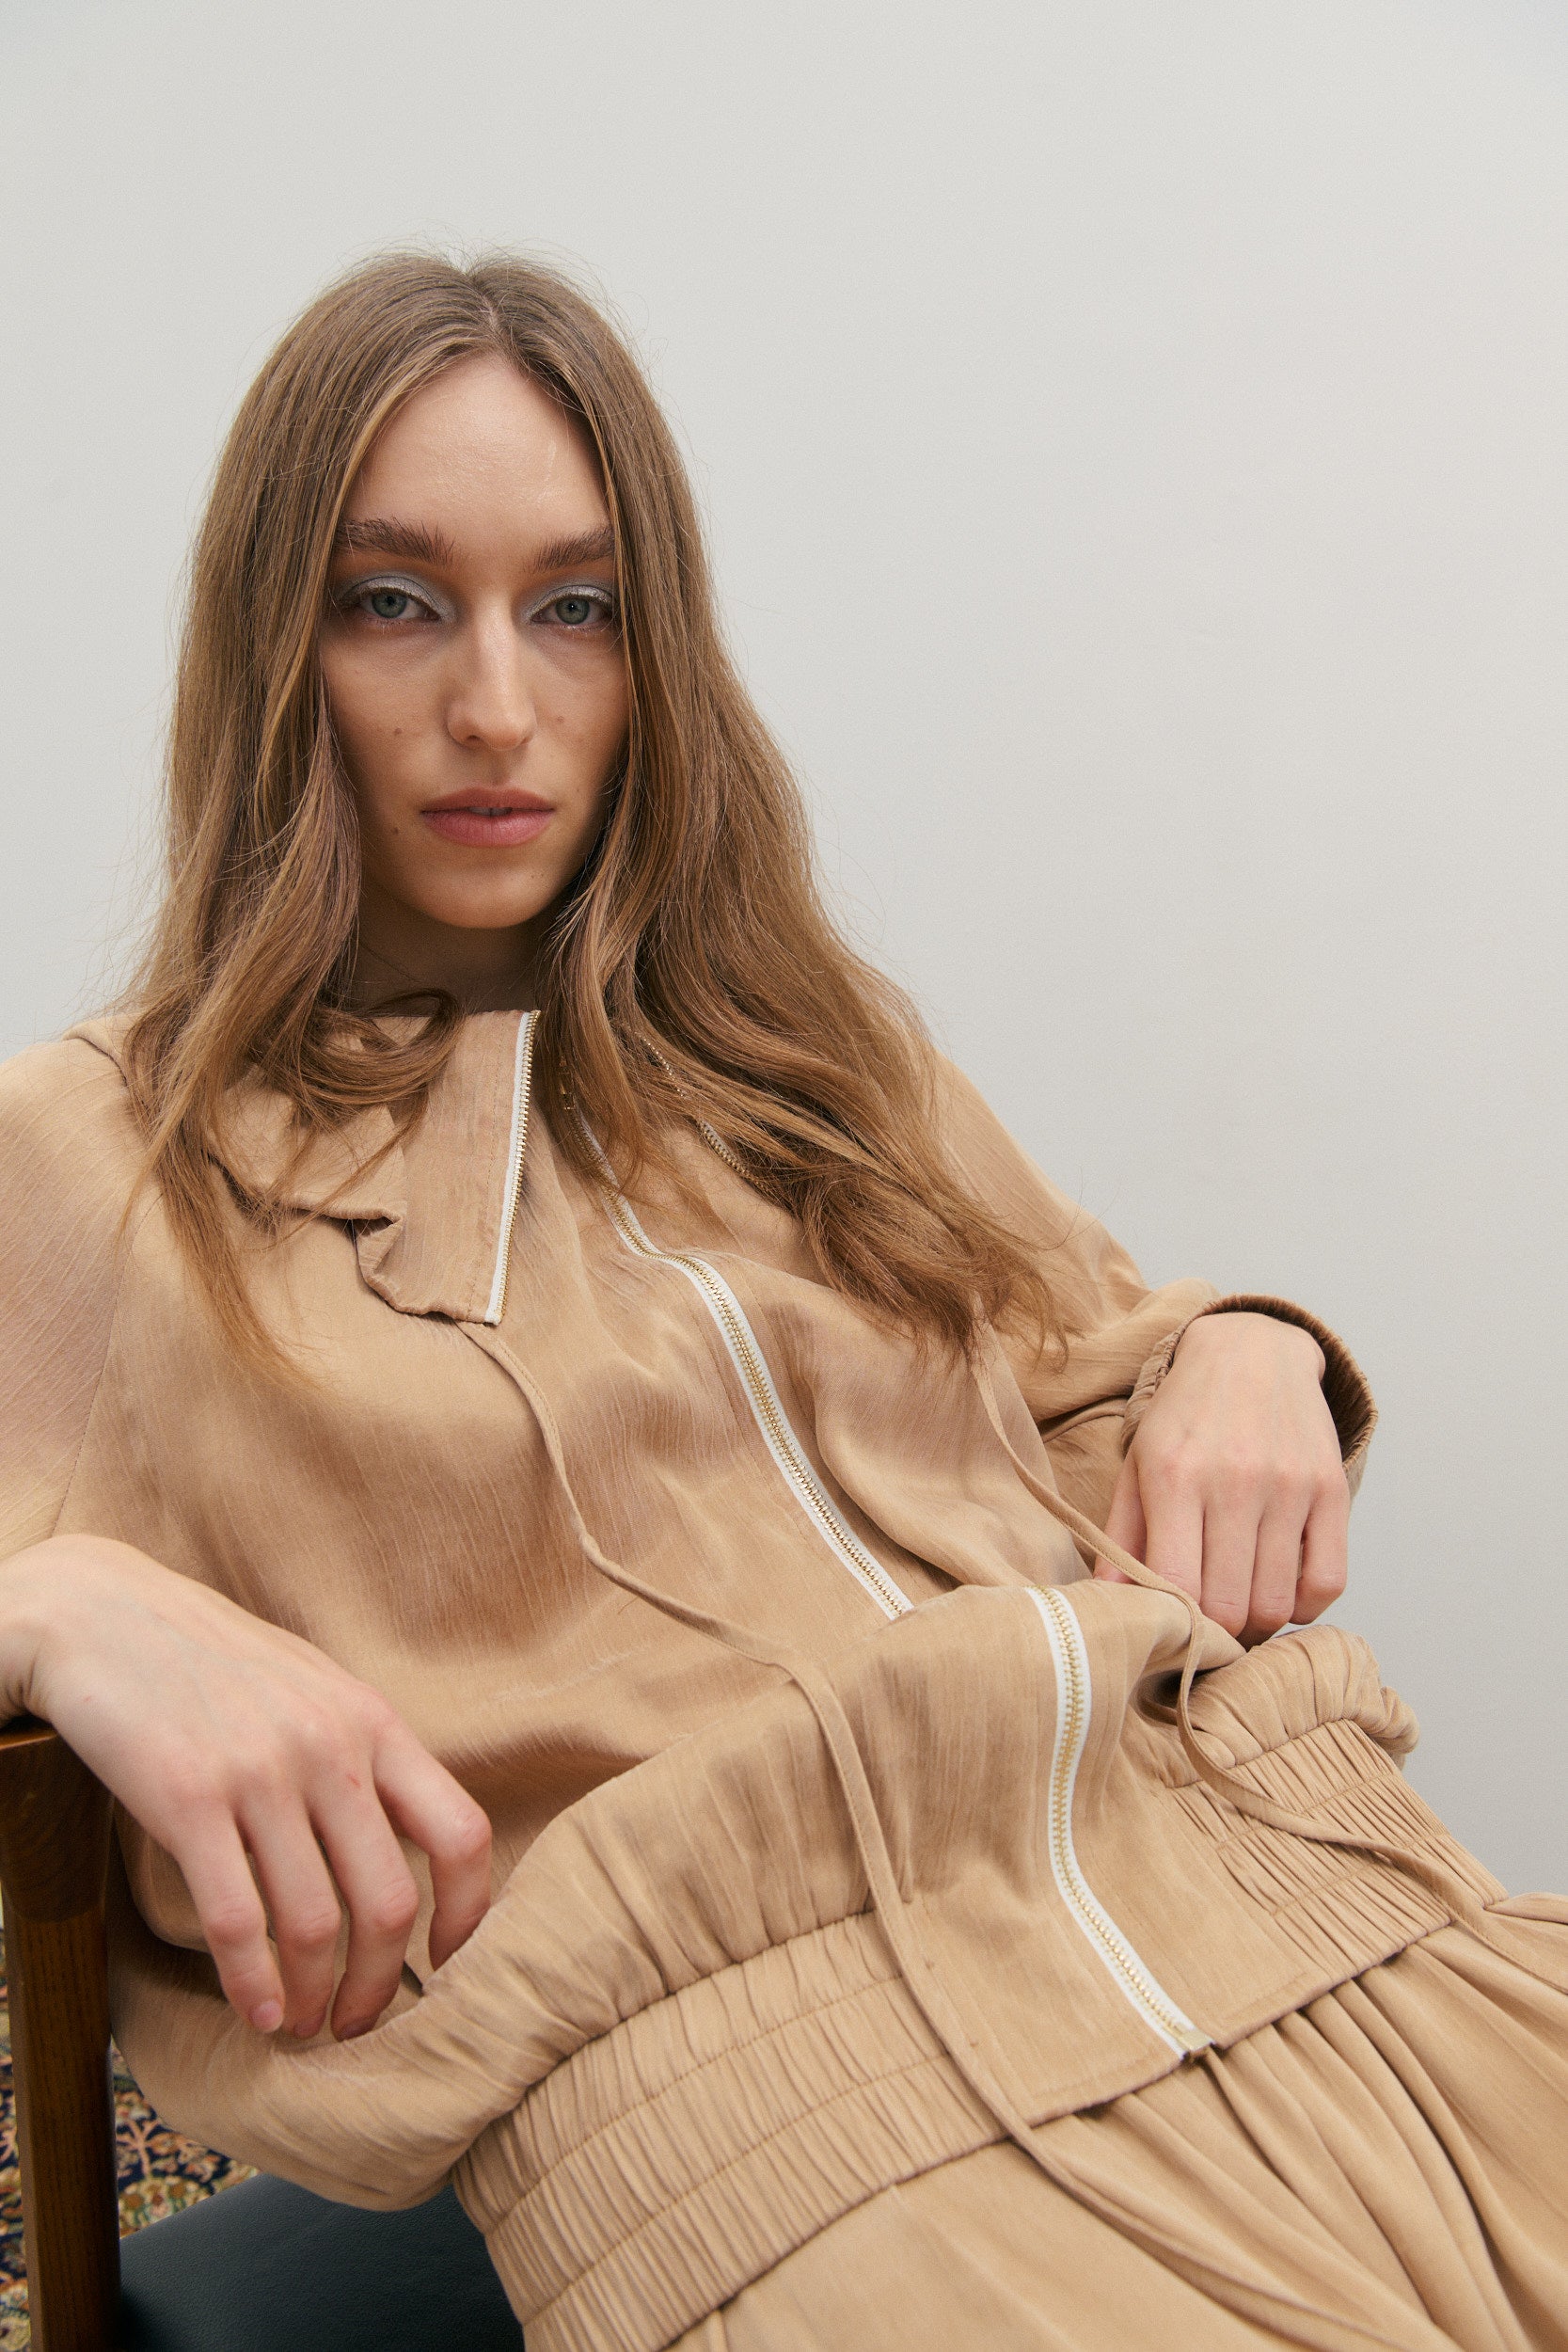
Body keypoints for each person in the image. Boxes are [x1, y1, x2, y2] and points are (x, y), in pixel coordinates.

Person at [0, 254, 1560, 2352]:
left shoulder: (806, 1048)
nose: (496, 703)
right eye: (395, 600)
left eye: (576, 604)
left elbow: (1086, 1346)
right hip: (783, 2110)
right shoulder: (103, 1149)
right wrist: (57, 1603)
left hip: (1311, 1885)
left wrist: (1252, 1341)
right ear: (278, 641)